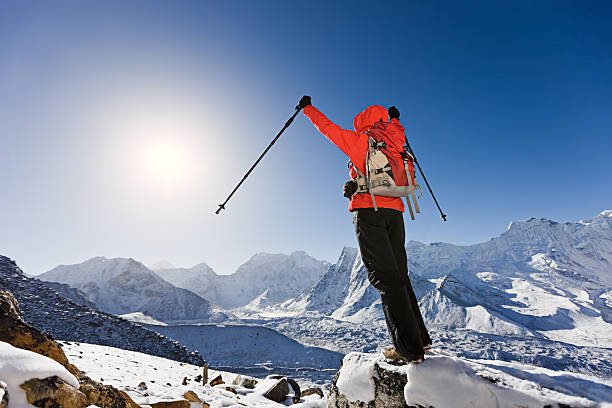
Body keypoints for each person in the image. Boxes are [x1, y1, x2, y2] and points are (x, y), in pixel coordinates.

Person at [297, 95, 431, 363]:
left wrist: (307, 109)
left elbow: (328, 129)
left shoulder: (361, 141)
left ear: (362, 123)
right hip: (396, 212)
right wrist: (395, 119)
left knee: (385, 279)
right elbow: (395, 141)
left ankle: (408, 350)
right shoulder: (396, 139)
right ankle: (420, 341)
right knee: (400, 276)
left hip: (369, 213)